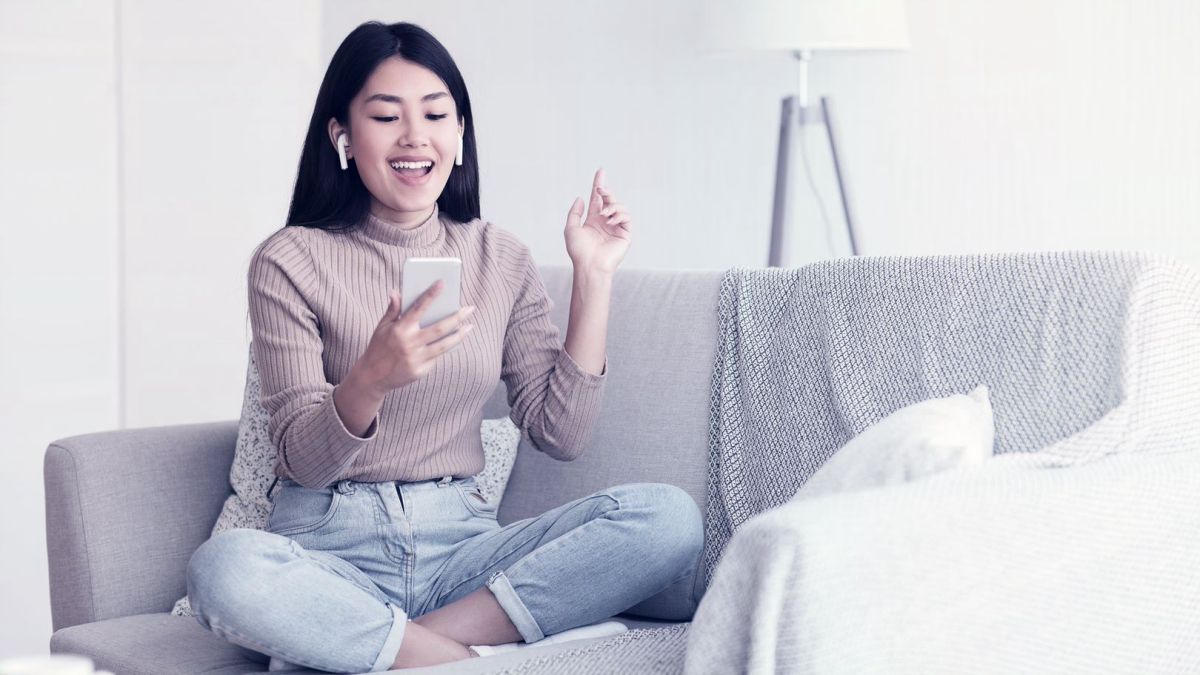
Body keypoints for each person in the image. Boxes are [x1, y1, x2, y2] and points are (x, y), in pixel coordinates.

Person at [185, 20, 704, 672]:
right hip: (330, 545)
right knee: (223, 568)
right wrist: (369, 379)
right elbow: (301, 458)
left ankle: (396, 647)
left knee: (669, 518)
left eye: (435, 113)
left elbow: (561, 432)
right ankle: (460, 658)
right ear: (341, 135)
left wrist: (593, 277)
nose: (414, 136)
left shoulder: (499, 256)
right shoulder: (289, 260)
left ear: (460, 135)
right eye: (385, 115)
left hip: (461, 547)